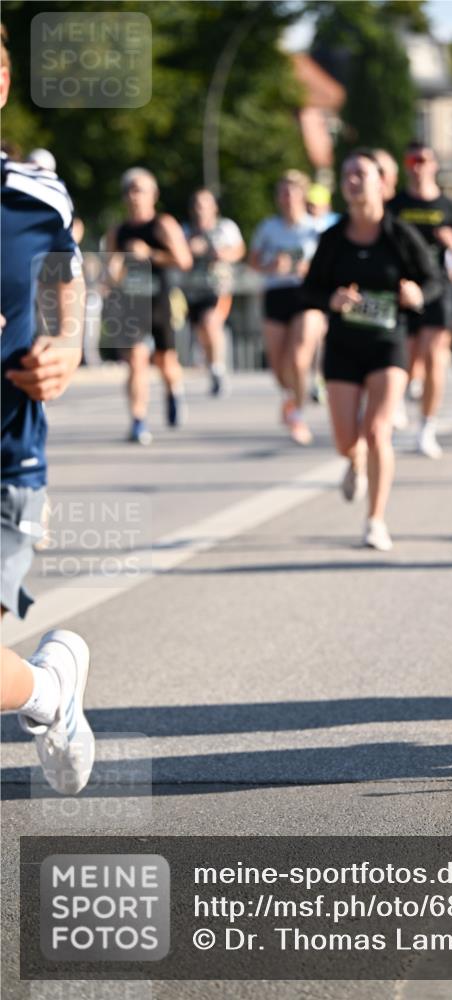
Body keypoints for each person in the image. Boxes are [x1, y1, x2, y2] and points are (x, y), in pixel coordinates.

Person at [1, 24, 94, 795]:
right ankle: (49, 691)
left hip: (5, 465)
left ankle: (52, 689)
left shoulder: (33, 196)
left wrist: (65, 345)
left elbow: (67, 286)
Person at [302, 149, 443, 551]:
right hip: (344, 347)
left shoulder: (399, 235)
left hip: (387, 344)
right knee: (346, 441)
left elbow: (434, 281)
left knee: (378, 430)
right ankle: (354, 460)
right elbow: (309, 289)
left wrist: (417, 293)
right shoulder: (333, 239)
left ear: (381, 182)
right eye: (347, 173)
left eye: (361, 173)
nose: (353, 180)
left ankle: (376, 520)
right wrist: (330, 300)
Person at [389, 141, 452, 458]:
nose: (419, 165)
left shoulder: (448, 207)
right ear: (407, 165)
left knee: (436, 354)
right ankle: (398, 399)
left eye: (424, 160)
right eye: (413, 160)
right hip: (404, 288)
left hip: (438, 288)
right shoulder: (396, 205)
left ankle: (427, 427)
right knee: (409, 355)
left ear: (434, 165)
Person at [105, 168, 193, 445]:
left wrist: (150, 253)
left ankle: (173, 391)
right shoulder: (118, 231)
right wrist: (116, 267)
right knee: (136, 361)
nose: (134, 196)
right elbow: (111, 270)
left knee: (165, 361)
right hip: (132, 303)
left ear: (153, 195)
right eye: (129, 190)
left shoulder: (163, 225)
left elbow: (184, 260)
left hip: (160, 299)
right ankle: (138, 419)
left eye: (140, 190)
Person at [249, 170, 324, 446]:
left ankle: (299, 414)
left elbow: (329, 265)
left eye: (292, 191)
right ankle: (290, 398)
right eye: (283, 192)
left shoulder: (316, 228)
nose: (288, 197)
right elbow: (253, 262)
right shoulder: (268, 228)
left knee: (299, 356)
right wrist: (272, 266)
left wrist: (308, 269)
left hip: (307, 294)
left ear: (303, 195)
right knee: (279, 364)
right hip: (276, 292)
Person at [183, 188, 245, 396]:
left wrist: (221, 253)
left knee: (211, 323)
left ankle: (218, 369)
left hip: (218, 287)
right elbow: (178, 255)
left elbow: (239, 250)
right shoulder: (186, 230)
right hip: (192, 290)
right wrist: (189, 250)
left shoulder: (225, 227)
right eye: (197, 205)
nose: (201, 209)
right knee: (202, 331)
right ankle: (212, 367)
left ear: (214, 207)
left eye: (205, 204)